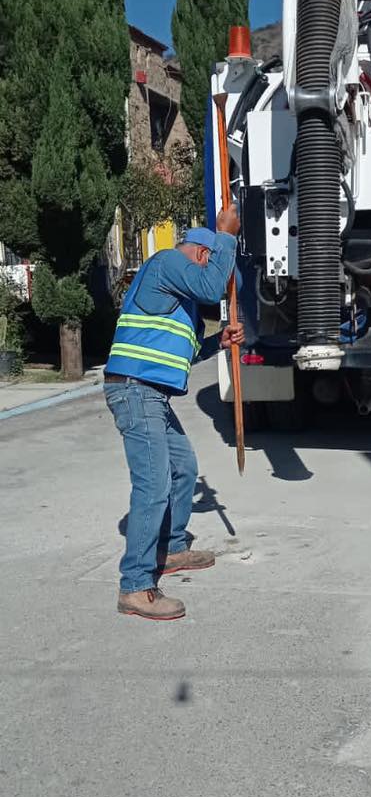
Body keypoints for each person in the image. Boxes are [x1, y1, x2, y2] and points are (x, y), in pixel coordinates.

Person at [104, 204, 243, 621]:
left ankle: (174, 548)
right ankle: (136, 586)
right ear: (201, 253)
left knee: (184, 468)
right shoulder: (166, 262)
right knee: (153, 485)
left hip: (152, 394)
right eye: (209, 257)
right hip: (134, 390)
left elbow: (181, 355)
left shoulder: (177, 303)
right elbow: (212, 285)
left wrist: (218, 342)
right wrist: (228, 236)